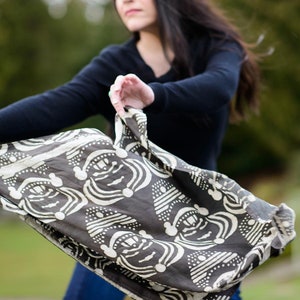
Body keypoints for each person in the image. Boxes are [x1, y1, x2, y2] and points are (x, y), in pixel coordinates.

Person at [0, 0, 261, 299]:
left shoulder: (216, 46)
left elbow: (218, 86)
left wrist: (154, 95)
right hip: (123, 223)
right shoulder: (114, 64)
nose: (125, 0)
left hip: (202, 227)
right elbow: (53, 106)